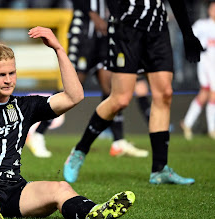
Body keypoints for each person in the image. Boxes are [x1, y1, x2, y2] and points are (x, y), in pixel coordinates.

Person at [0, 13, 135, 219]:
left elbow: (74, 96)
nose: (8, 80)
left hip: (15, 188)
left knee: (60, 188)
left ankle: (94, 212)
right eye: (0, 75)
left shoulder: (25, 106)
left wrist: (59, 49)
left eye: (12, 73)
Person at [63, 0, 204, 184]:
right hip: (127, 28)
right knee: (120, 99)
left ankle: (159, 169)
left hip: (157, 28)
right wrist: (117, 15)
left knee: (165, 94)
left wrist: (188, 33)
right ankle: (79, 151)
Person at [27, 0, 149, 158]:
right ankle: (38, 134)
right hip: (84, 32)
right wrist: (94, 16)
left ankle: (118, 141)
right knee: (72, 86)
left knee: (109, 87)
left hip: (104, 34)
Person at [180, 0, 215, 140]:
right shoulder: (202, 25)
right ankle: (212, 129)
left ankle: (187, 123)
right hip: (206, 64)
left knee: (204, 93)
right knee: (212, 94)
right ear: (209, 10)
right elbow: (189, 36)